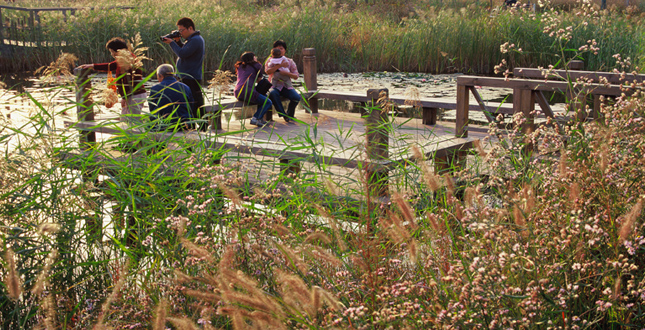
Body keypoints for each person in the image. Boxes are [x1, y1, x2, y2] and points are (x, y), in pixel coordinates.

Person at [77, 37, 147, 124]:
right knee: (125, 121)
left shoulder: (128, 59)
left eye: (112, 51)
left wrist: (125, 97)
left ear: (117, 50)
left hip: (135, 95)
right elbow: (110, 66)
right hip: (132, 95)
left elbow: (128, 81)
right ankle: (128, 137)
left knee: (132, 123)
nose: (112, 54)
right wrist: (92, 66)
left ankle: (136, 137)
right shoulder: (123, 58)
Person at [162, 17, 205, 130]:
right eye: (179, 30)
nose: (180, 33)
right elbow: (185, 50)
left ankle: (202, 126)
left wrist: (171, 43)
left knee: (194, 102)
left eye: (182, 30)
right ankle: (191, 125)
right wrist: (177, 41)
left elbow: (182, 53)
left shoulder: (196, 39)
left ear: (190, 28)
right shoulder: (191, 40)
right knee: (188, 102)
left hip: (191, 77)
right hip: (187, 76)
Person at [148, 64, 192, 131]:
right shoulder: (186, 87)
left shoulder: (155, 88)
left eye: (157, 77)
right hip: (183, 125)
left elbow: (152, 109)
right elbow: (191, 107)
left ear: (161, 76)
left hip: (162, 125)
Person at [265, 40, 301, 123]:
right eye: (277, 48)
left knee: (296, 97)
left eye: (281, 48)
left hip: (286, 86)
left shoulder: (289, 61)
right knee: (272, 93)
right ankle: (283, 115)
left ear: (285, 50)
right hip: (274, 86)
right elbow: (267, 71)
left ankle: (290, 114)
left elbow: (296, 76)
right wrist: (280, 65)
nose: (279, 50)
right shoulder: (270, 61)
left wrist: (287, 73)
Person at [234, 52, 272, 127]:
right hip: (247, 91)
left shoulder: (240, 66)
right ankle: (255, 118)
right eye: (255, 57)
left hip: (237, 91)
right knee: (268, 102)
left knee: (263, 97)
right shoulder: (257, 65)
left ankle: (260, 118)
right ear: (252, 58)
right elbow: (259, 80)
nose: (256, 58)